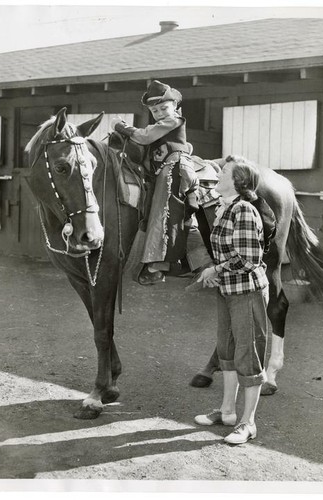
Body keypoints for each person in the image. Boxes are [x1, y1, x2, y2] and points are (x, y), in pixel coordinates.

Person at [194, 157, 271, 445]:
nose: (218, 173)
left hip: (247, 293)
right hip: (228, 290)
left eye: (224, 171)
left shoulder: (244, 210)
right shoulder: (225, 207)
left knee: (248, 356)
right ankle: (227, 411)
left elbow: (250, 259)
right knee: (227, 352)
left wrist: (216, 269)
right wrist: (218, 274)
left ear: (238, 182)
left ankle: (247, 423)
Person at [112, 80, 201, 285]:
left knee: (163, 210)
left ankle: (158, 265)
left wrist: (120, 126)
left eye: (163, 108)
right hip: (164, 168)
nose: (160, 112)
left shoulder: (173, 121)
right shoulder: (162, 125)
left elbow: (144, 137)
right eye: (155, 110)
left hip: (173, 169)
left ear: (175, 107)